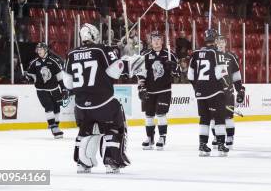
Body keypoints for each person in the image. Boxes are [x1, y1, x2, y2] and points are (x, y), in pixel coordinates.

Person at [63, 23, 131, 174]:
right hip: (103, 103)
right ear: (93, 35)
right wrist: (125, 61)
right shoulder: (101, 49)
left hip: (81, 105)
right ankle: (111, 162)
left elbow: (68, 83)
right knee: (114, 128)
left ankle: (82, 162)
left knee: (85, 131)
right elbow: (115, 73)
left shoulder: (71, 54)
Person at [187, 29, 230, 157]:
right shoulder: (217, 53)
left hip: (200, 92)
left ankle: (202, 145)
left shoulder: (195, 53)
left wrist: (198, 87)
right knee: (219, 118)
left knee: (204, 118)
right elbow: (221, 74)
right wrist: (226, 88)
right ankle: (221, 144)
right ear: (215, 40)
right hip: (215, 92)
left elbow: (190, 75)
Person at [137, 31, 179, 151]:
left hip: (164, 89)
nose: (156, 41)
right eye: (154, 38)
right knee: (149, 115)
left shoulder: (170, 54)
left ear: (162, 41)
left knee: (161, 113)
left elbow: (178, 73)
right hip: (150, 90)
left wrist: (173, 68)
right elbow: (140, 73)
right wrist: (141, 87)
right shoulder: (145, 55)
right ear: (151, 41)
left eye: (158, 39)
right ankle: (150, 138)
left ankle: (162, 137)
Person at [25, 43, 67, 139]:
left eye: (41, 49)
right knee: (48, 106)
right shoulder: (34, 62)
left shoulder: (54, 61)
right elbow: (31, 75)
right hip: (41, 89)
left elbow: (59, 77)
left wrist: (63, 88)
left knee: (57, 107)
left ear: (46, 50)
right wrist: (28, 77)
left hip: (54, 88)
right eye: (38, 49)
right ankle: (53, 126)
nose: (39, 51)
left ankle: (55, 124)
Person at [212, 34, 245, 149]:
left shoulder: (231, 56)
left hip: (228, 91)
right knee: (214, 116)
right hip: (214, 91)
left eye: (223, 42)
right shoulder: (212, 56)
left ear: (226, 43)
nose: (220, 44)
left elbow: (236, 75)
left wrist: (240, 89)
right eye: (218, 42)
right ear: (215, 43)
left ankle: (230, 136)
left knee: (228, 116)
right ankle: (216, 136)